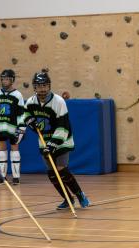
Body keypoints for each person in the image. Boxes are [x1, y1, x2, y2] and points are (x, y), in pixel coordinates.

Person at [23, 72, 90, 209]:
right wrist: (29, 121)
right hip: (44, 141)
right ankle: (68, 199)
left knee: (61, 170)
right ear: (34, 88)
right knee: (52, 174)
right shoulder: (30, 102)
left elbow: (62, 126)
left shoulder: (58, 102)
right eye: (39, 86)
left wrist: (53, 144)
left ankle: (79, 194)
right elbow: (26, 115)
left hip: (62, 140)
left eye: (45, 86)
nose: (42, 89)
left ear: (49, 86)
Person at [0, 69, 25, 185]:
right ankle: (2, 177)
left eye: (7, 79)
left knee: (15, 150)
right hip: (0, 127)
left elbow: (21, 114)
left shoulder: (17, 95)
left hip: (13, 128)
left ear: (12, 80)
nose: (5, 81)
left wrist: (21, 129)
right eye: (3, 79)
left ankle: (16, 177)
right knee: (2, 150)